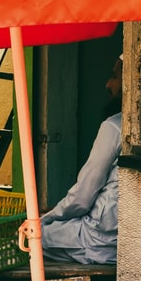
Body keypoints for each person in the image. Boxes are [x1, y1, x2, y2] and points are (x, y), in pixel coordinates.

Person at [41, 58, 122, 265]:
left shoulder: (114, 127)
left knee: (26, 238)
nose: (108, 84)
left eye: (114, 77)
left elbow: (82, 198)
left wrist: (46, 218)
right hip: (120, 242)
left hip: (98, 241)